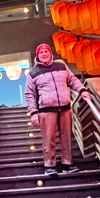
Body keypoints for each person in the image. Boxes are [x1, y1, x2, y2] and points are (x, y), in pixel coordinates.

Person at [25, 43, 91, 176]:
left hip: (65, 108)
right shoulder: (33, 73)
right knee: (48, 138)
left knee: (66, 136)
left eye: (46, 51)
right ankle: (50, 165)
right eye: (41, 52)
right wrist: (33, 112)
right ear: (37, 55)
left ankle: (67, 164)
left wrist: (82, 90)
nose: (44, 54)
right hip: (46, 110)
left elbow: (72, 80)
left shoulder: (61, 66)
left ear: (50, 53)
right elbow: (29, 94)